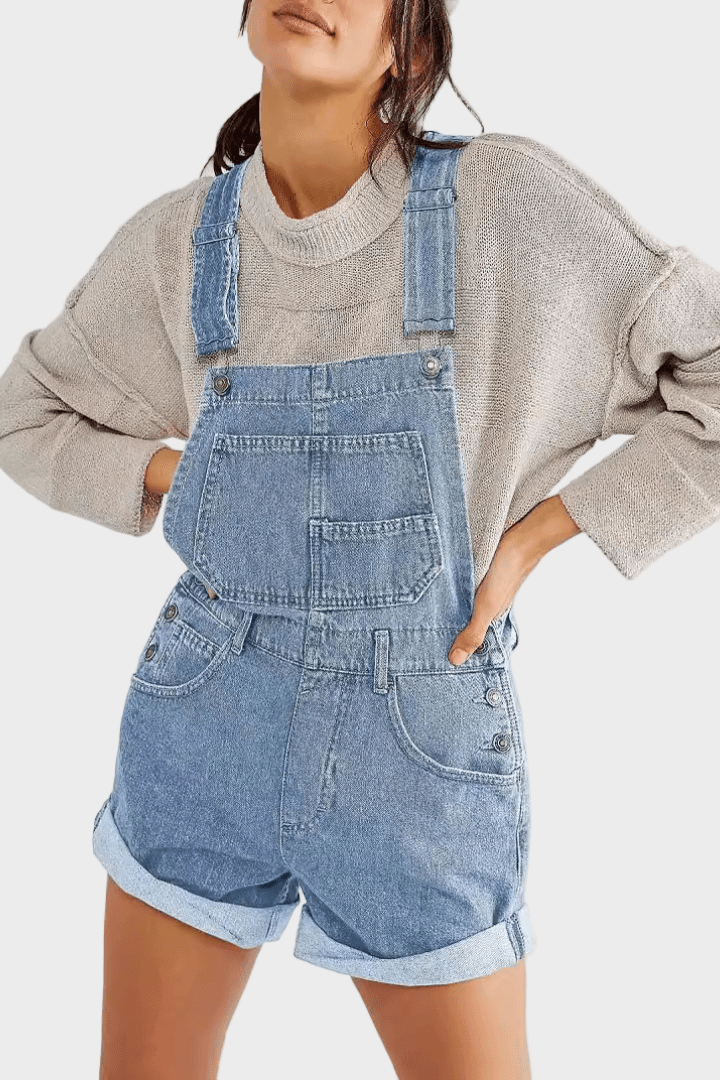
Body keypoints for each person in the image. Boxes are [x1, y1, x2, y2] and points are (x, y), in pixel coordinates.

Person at [1, 1, 719, 1077]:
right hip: (203, 717)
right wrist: (183, 478)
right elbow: (25, 414)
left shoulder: (505, 206)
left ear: (408, 42)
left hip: (418, 751)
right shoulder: (178, 241)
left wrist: (538, 537)